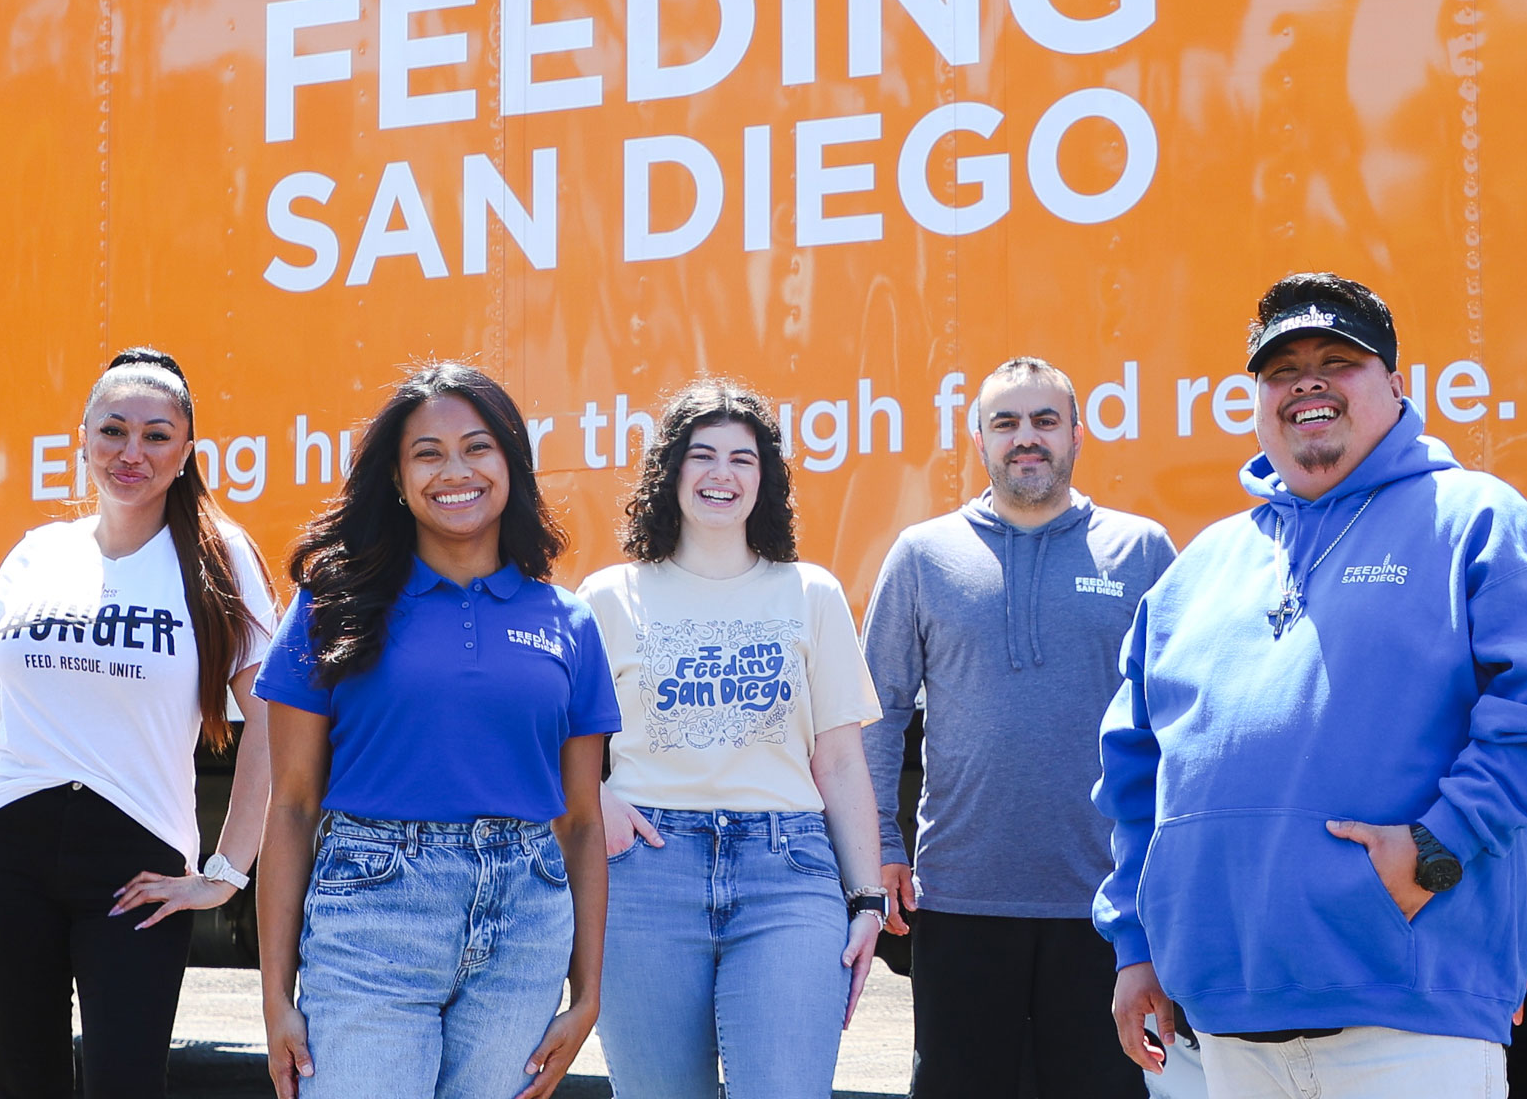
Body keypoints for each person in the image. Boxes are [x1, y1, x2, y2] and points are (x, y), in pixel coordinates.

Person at [1098, 272, 1527, 1098]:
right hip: (1227, 1027)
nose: (1308, 379)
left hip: (1413, 1013)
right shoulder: (1197, 571)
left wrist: (1436, 848)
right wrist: (1135, 945)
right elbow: (1133, 774)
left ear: (1396, 388)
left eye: (1338, 359)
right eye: (1280, 368)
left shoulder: (1475, 520)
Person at [252, 363, 615, 1099]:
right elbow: (291, 807)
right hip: (372, 915)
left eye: (479, 448)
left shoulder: (568, 620)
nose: (456, 470)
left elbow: (580, 822)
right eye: (428, 452)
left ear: (512, 466)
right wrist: (277, 997)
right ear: (396, 477)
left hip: (526, 926)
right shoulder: (332, 606)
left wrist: (587, 996)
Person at [0, 349, 280, 1099]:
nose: (132, 452)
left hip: (138, 865)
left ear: (188, 451)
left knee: (125, 1082)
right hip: (5, 852)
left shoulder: (217, 558)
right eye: (114, 431)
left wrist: (226, 874)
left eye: (157, 435)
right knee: (21, 1082)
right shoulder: (40, 552)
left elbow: (271, 719)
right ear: (83, 439)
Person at [864, 357, 1177, 1099]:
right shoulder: (922, 555)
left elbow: (1180, 726)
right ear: (979, 440)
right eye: (1005, 422)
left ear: (1077, 433)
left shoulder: (1142, 551)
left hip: (1104, 904)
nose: (1025, 438)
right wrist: (880, 840)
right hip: (960, 899)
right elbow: (877, 713)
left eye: (1044, 420)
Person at [579, 380, 892, 1099]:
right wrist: (595, 796)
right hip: (645, 875)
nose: (723, 474)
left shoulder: (811, 594)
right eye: (703, 455)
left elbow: (841, 762)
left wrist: (867, 899)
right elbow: (548, 742)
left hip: (787, 874)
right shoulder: (606, 597)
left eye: (743, 459)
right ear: (670, 472)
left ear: (765, 478)